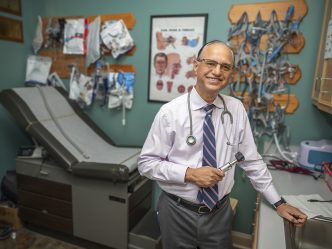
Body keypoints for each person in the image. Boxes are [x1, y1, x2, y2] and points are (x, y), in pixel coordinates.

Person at [138, 40, 307, 249]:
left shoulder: (235, 109)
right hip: (176, 211)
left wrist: (279, 203)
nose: (217, 71)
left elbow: (251, 160)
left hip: (219, 213)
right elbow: (146, 163)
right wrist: (189, 173)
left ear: (231, 73)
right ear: (195, 65)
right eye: (210, 63)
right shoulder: (170, 112)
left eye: (225, 67)